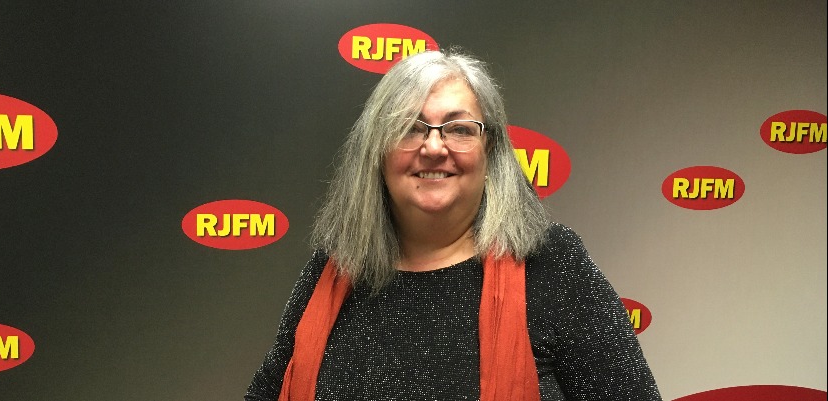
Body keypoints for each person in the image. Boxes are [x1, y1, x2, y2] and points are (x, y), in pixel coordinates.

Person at [244, 48, 662, 401]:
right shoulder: (333, 269)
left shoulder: (550, 262)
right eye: (410, 128)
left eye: (459, 129)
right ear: (377, 151)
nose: (433, 147)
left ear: (490, 149)